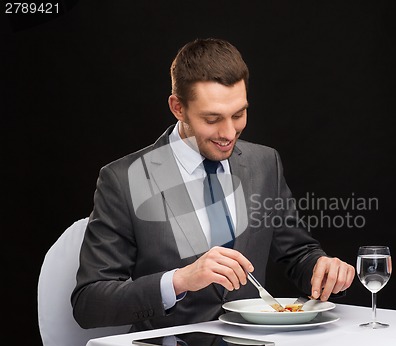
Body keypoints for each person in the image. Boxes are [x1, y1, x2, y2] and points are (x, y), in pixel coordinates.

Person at [71, 38, 355, 331]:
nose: (229, 133)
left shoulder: (264, 162)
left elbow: (297, 254)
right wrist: (180, 280)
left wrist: (323, 270)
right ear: (178, 108)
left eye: (239, 114)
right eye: (212, 119)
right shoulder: (123, 179)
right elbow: (90, 304)